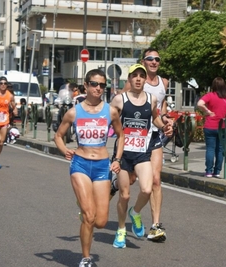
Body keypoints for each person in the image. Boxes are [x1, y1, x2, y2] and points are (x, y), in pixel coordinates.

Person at [54, 69, 124, 267]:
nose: (99, 88)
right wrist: (64, 150)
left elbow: (121, 135)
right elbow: (58, 135)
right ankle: (85, 258)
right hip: (80, 164)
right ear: (86, 86)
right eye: (94, 84)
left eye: (102, 85)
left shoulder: (110, 111)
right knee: (89, 216)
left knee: (100, 222)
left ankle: (85, 210)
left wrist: (117, 159)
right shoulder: (74, 112)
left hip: (102, 166)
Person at [111, 48, 173, 242]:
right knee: (126, 188)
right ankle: (115, 191)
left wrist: (166, 125)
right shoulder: (123, 96)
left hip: (150, 140)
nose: (154, 61)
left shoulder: (163, 83)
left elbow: (158, 111)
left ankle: (154, 225)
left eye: (157, 59)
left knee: (153, 182)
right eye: (150, 58)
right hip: (126, 145)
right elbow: (114, 113)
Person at [196, 77, 226, 178]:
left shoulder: (210, 95)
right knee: (220, 149)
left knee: (210, 149)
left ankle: (208, 171)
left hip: (210, 126)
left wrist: (208, 111)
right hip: (223, 127)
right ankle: (217, 171)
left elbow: (199, 103)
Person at [0, 76, 18, 169]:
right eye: (1, 83)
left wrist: (15, 109)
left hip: (4, 120)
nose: (3, 85)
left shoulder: (9, 95)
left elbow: (13, 105)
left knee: (1, 143)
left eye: (5, 83)